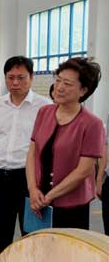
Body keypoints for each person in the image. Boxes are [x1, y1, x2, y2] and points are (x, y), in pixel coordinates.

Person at [0, 56, 50, 262]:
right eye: (10, 77)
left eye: (21, 78)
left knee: (32, 234)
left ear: (31, 78)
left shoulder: (44, 107)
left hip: (30, 180)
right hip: (1, 178)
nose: (15, 83)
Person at [27, 57, 104, 229]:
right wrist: (32, 189)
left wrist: (49, 197)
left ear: (83, 90)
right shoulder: (44, 112)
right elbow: (32, 153)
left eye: (67, 84)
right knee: (37, 244)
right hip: (37, 198)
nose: (59, 87)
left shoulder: (92, 124)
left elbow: (83, 171)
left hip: (71, 207)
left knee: (66, 246)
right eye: (58, 80)